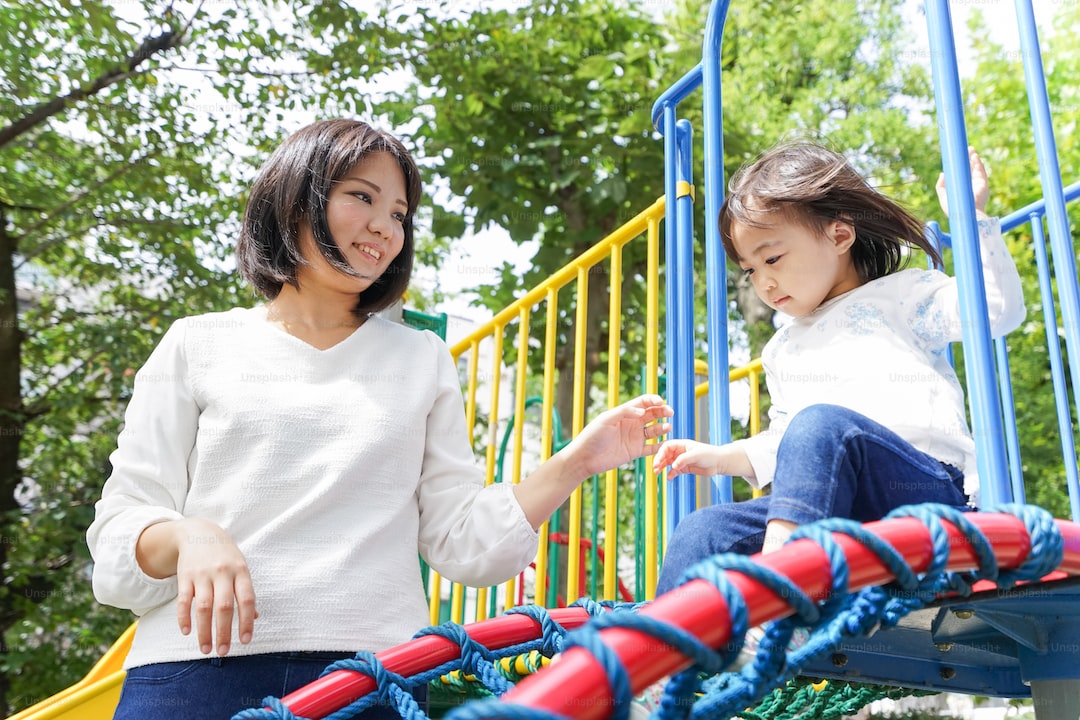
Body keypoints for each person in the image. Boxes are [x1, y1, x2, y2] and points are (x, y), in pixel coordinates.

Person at [86, 118, 674, 720]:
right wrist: (190, 535)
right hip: (193, 674)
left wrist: (582, 459)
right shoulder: (196, 344)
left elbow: (464, 543)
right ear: (293, 198)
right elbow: (116, 542)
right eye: (362, 197)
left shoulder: (420, 358)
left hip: (373, 678)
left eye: (399, 213)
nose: (384, 228)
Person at [652, 142, 1024, 596]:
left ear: (840, 236)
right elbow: (785, 443)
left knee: (822, 425)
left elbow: (994, 311)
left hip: (921, 498)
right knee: (705, 529)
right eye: (750, 270)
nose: (764, 281)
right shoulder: (782, 348)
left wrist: (974, 221)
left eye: (772, 258)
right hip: (834, 510)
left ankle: (778, 598)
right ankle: (669, 655)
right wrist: (722, 457)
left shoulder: (903, 295)